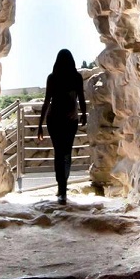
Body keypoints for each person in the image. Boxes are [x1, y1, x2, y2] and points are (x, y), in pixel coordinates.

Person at [36, 48, 87, 204]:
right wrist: (84, 114)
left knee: (58, 153)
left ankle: (61, 187)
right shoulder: (76, 77)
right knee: (67, 153)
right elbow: (81, 97)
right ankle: (63, 186)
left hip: (54, 120)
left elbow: (47, 102)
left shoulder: (52, 77)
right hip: (70, 120)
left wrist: (40, 124)